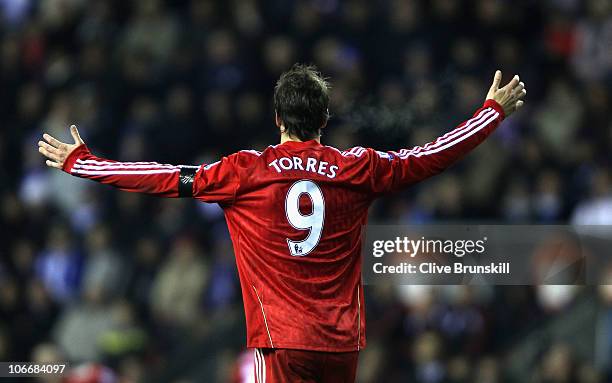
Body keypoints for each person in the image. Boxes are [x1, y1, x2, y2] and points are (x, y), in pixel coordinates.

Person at [38, 64, 526, 383]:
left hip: (282, 342)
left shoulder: (246, 171)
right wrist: (491, 113)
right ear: (325, 119)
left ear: (277, 119)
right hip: (341, 344)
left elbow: (165, 177)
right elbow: (429, 156)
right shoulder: (356, 168)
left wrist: (85, 163)